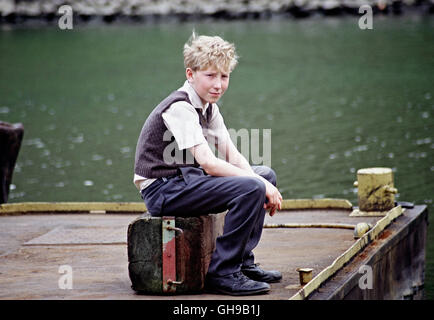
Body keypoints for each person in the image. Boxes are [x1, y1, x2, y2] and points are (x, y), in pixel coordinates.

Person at [134, 32, 283, 296]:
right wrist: (256, 184)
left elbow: (232, 155)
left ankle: (242, 262)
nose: (218, 84)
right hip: (163, 190)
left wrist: (260, 180)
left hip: (186, 180)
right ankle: (223, 273)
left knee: (264, 175)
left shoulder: (208, 107)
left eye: (224, 76)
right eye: (210, 76)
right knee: (252, 186)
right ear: (191, 75)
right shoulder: (180, 107)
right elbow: (209, 163)